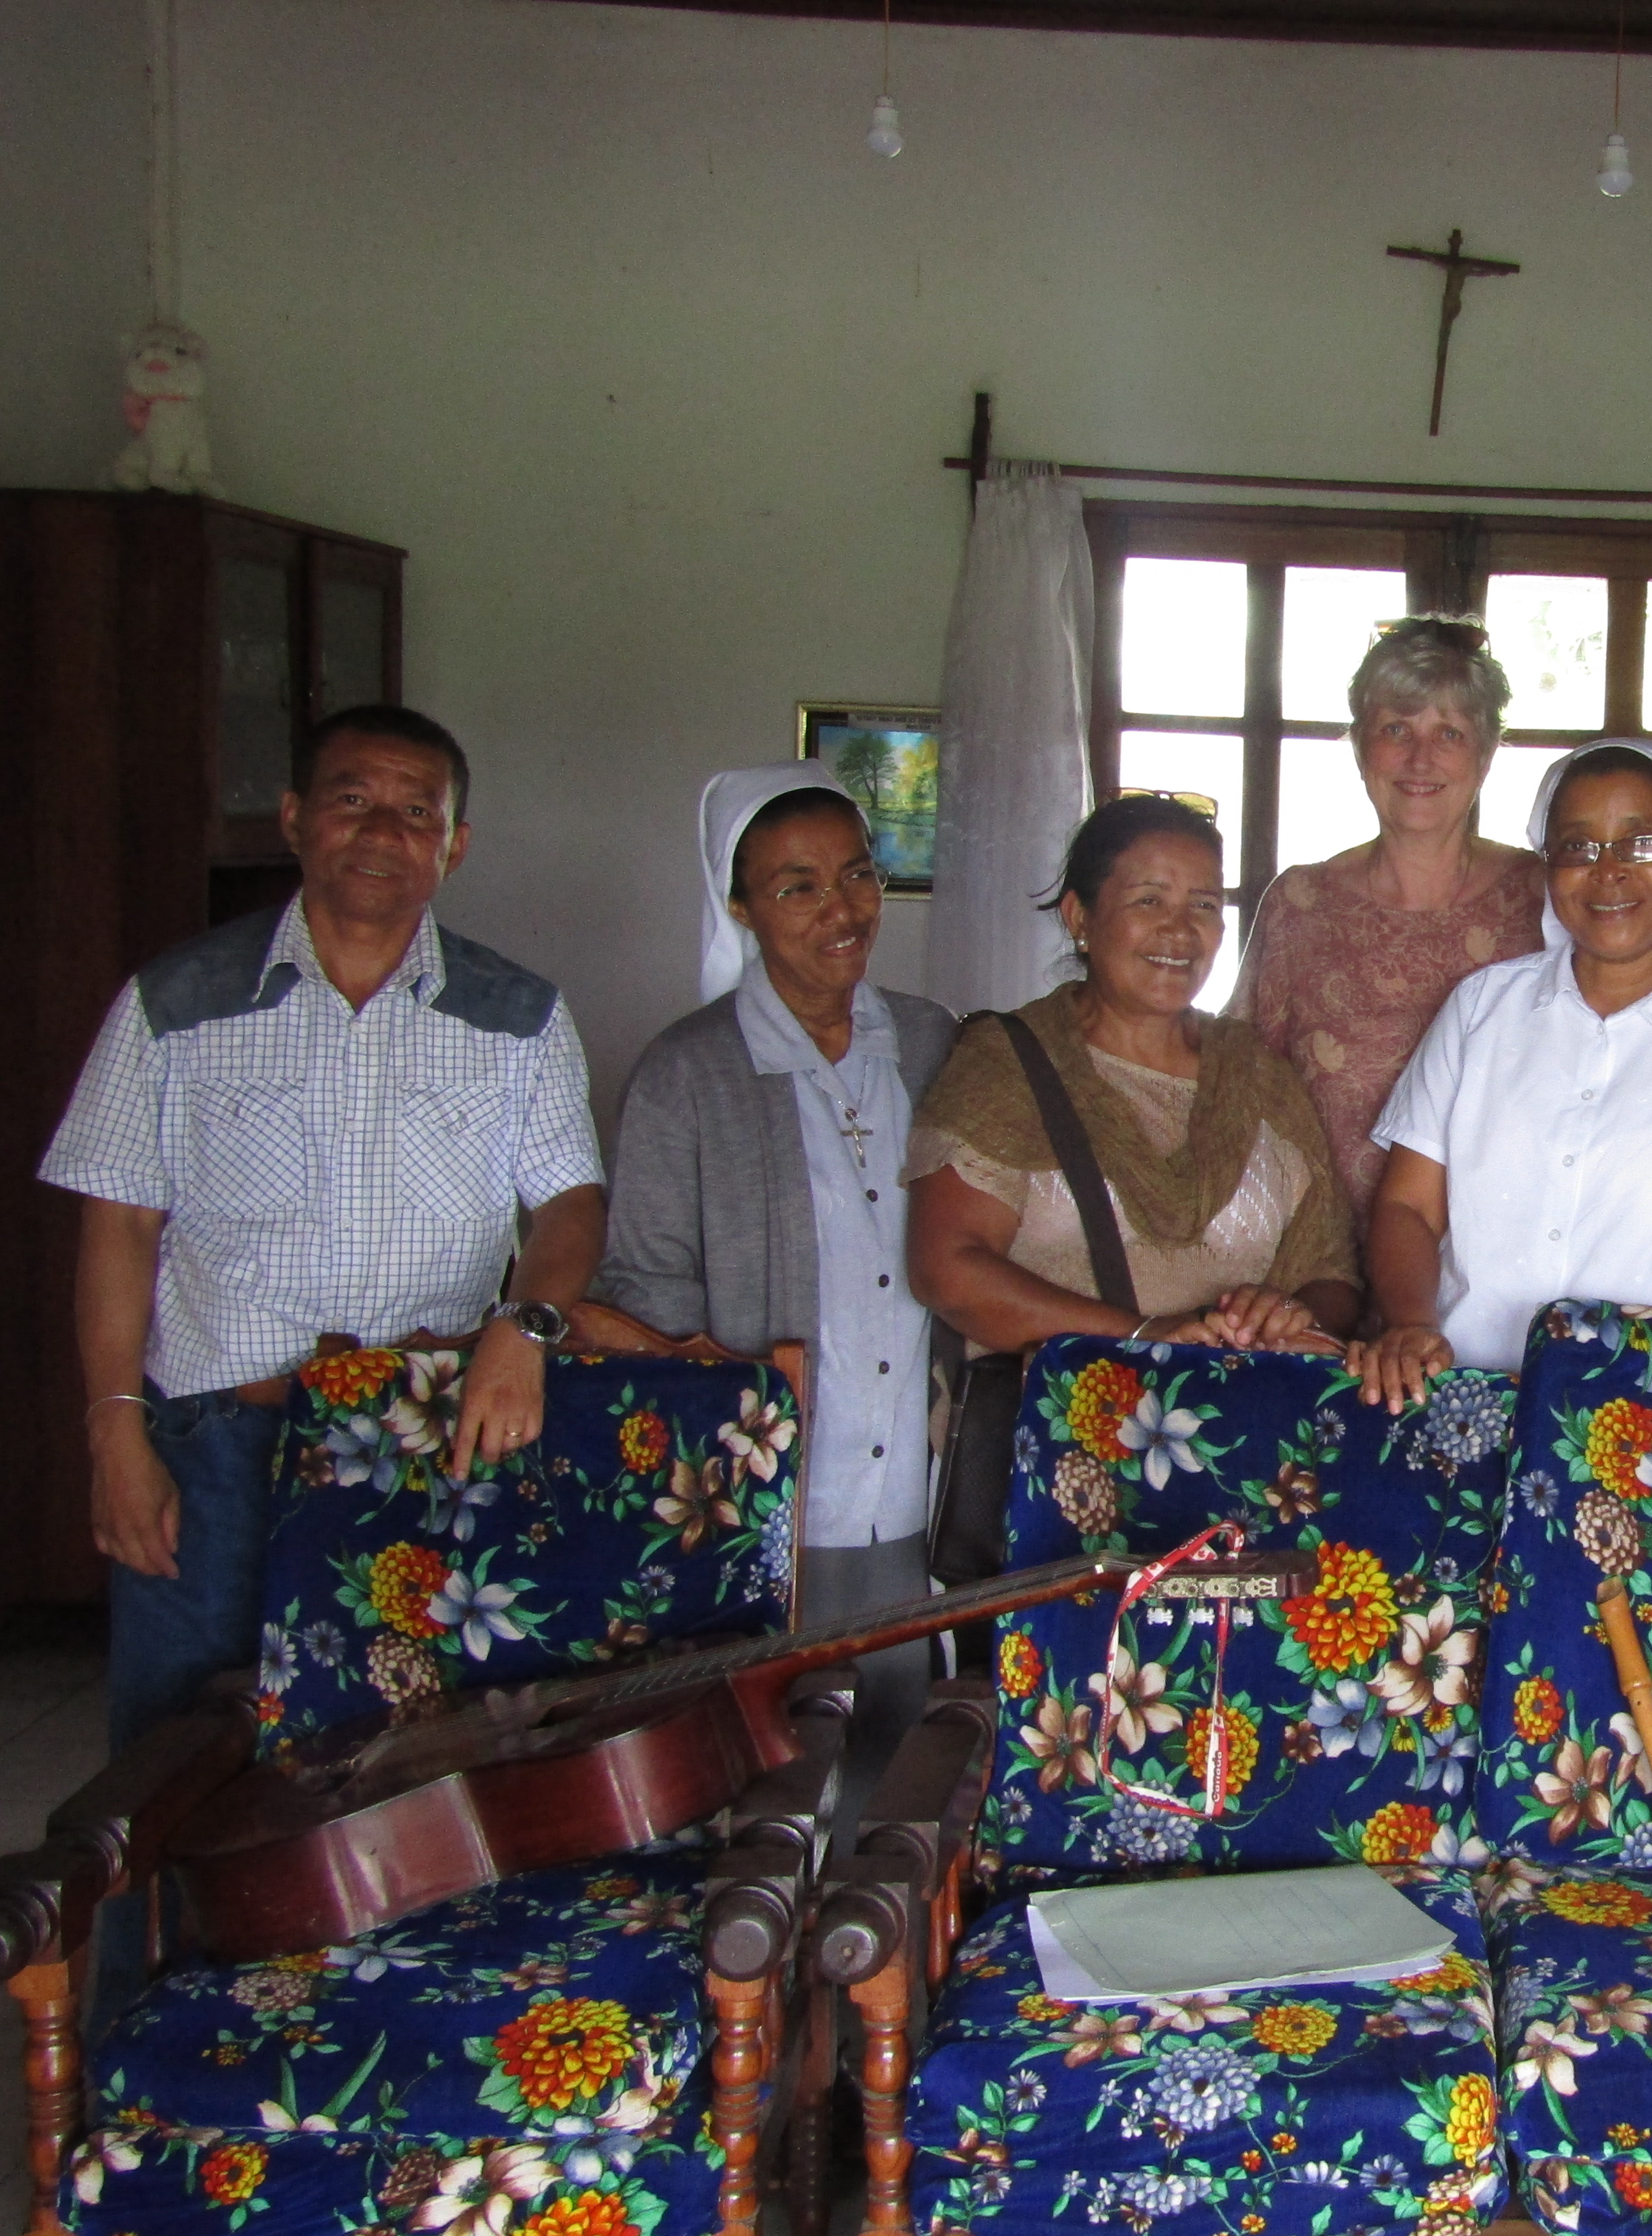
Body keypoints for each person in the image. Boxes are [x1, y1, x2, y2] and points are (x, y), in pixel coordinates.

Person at [42, 704, 604, 2028]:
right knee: (172, 1779)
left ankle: (369, 2055)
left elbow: (570, 1206)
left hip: (420, 1452)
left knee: (397, 1774)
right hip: (215, 1447)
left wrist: (526, 1326)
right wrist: (113, 1427)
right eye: (354, 799)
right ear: (295, 820)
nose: (383, 831)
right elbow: (119, 1226)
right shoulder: (175, 1003)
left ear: (454, 846)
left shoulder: (518, 1014)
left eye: (417, 811)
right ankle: (140, 2064)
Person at [1352, 739, 1652, 1555]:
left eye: (1644, 842)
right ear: (1548, 866)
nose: (1610, 872)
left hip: (1651, 1439)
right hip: (1459, 1413)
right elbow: (1407, 1206)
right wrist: (1409, 1322)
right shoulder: (1480, 1011)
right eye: (1579, 846)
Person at [594, 767, 956, 1810]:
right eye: (797, 887)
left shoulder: (932, 1041)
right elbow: (648, 1296)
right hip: (770, 1505)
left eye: (857, 874)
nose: (842, 910)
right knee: (773, 1780)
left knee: (903, 1774)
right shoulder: (686, 1072)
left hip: (916, 1491)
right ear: (742, 908)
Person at [907, 792, 1359, 1354]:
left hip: (1230, 1410)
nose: (1180, 932)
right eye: (1149, 901)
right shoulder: (1008, 1065)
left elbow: (1332, 1274)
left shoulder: (1260, 1077)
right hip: (1055, 1409)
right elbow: (946, 1269)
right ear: (1080, 917)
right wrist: (1144, 1339)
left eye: (1203, 905)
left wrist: (1287, 1316)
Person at [1231, 616, 1547, 1230]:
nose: (1420, 758)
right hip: (1320, 1261)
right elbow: (1238, 1081)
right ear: (1359, 748)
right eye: (1396, 729)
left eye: (1449, 733)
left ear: (1484, 756)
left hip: (1505, 1257)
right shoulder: (1301, 903)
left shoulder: (1543, 899)